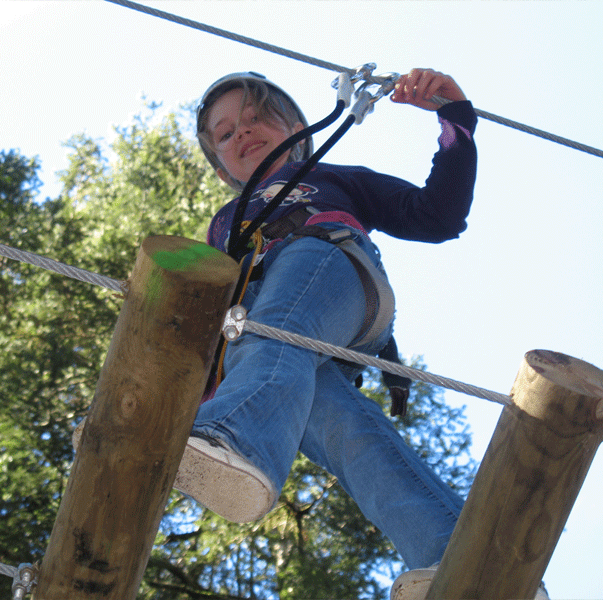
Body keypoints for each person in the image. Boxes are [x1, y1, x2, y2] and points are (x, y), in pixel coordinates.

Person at [173, 68, 485, 596]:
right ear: (222, 166)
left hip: (333, 269)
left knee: (275, 331)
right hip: (275, 346)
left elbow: (437, 216)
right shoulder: (225, 225)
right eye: (225, 134)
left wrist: (455, 121)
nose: (242, 132)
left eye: (256, 117)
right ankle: (459, 558)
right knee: (349, 436)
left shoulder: (332, 176)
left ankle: (233, 433)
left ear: (297, 126)